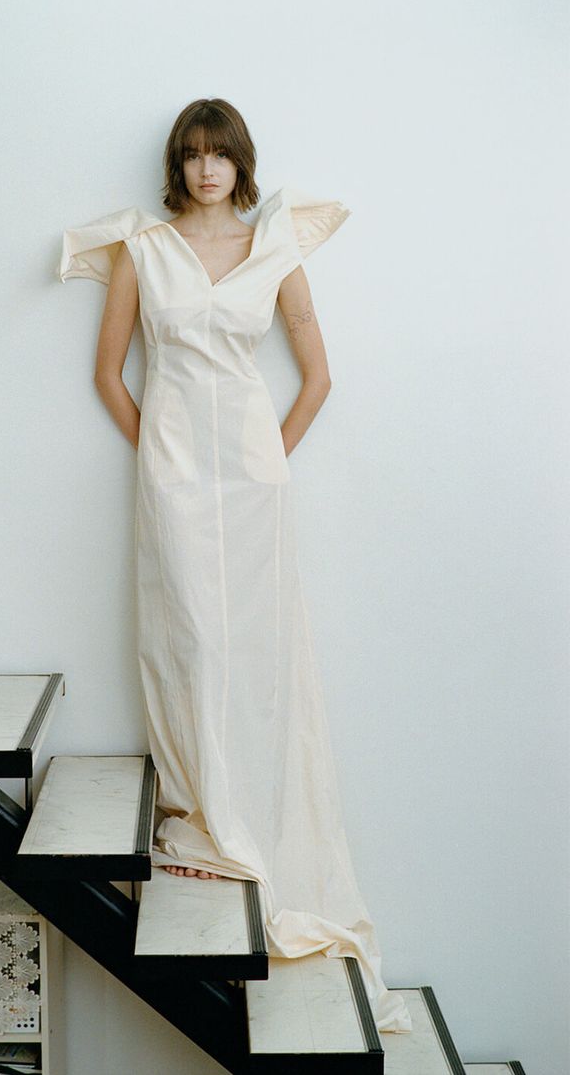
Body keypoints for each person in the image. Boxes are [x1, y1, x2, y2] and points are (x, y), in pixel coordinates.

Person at [59, 97, 412, 1034]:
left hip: (255, 486)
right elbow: (106, 373)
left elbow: (318, 375)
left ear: (240, 163)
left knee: (258, 650)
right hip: (173, 480)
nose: (207, 168)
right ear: (177, 166)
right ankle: (207, 816)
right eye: (193, 154)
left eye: (221, 154)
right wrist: (159, 457)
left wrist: (268, 461)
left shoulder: (274, 247)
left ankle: (259, 816)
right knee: (190, 641)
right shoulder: (143, 250)